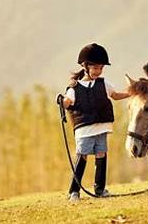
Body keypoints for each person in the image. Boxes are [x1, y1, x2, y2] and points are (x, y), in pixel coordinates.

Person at [62, 43, 130, 203]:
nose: (98, 71)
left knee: (101, 155)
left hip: (102, 127)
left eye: (100, 68)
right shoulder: (74, 88)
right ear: (86, 67)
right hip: (84, 130)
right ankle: (74, 191)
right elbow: (67, 102)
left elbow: (115, 95)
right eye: (95, 68)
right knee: (82, 156)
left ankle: (100, 189)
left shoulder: (103, 84)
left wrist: (131, 93)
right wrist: (63, 102)